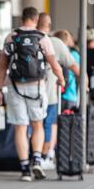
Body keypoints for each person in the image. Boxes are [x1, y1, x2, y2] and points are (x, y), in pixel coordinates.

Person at [0, 7, 65, 182]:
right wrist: (61, 79)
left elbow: (2, 66)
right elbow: (54, 63)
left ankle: (25, 169)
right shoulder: (42, 38)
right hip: (37, 86)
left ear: (22, 19)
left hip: (15, 87)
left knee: (20, 127)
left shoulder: (11, 37)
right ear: (35, 20)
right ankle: (37, 160)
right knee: (38, 124)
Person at [37, 14, 80, 170]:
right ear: (49, 25)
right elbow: (74, 68)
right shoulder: (55, 43)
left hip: (26, 93)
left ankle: (31, 157)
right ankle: (44, 156)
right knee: (48, 125)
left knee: (31, 126)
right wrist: (83, 84)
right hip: (49, 95)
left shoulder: (22, 39)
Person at [54, 30, 86, 111]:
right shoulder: (74, 55)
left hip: (56, 94)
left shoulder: (53, 53)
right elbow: (82, 74)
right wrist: (86, 86)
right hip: (71, 94)